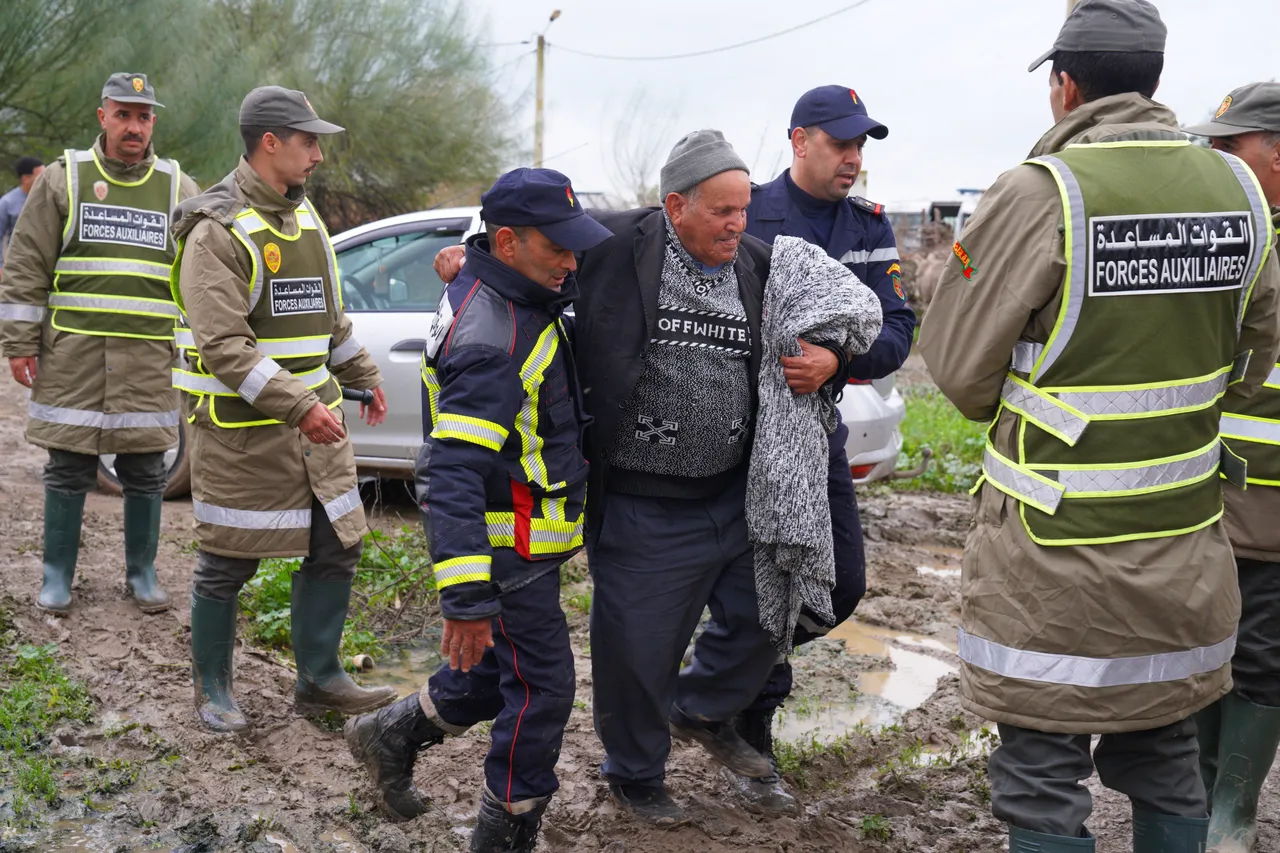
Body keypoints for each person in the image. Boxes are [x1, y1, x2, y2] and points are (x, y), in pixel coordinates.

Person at [916, 2, 1280, 851]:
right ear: (1153, 81)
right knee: (1164, 752)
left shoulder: (1040, 192)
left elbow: (960, 371)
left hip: (1051, 567)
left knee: (1042, 773)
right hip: (1185, 553)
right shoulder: (1237, 192)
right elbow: (1255, 352)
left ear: (1065, 86)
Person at [435, 130, 857, 826]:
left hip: (735, 492)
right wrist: (465, 257)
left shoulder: (760, 265)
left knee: (770, 611)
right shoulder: (613, 244)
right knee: (635, 650)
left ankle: (700, 707)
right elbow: (521, 250)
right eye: (722, 210)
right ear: (675, 206)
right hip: (642, 500)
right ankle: (635, 773)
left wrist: (834, 357)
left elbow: (840, 313)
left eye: (744, 208)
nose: (739, 223)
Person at [344, 168, 612, 852]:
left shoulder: (507, 287)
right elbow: (453, 469)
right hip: (506, 542)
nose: (571, 261)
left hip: (522, 535)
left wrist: (470, 260)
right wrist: (464, 598)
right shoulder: (495, 337)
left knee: (494, 675)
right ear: (509, 242)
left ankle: (389, 733)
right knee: (544, 688)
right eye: (557, 247)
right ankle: (505, 832)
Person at [170, 86, 395, 732]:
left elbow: (329, 318)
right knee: (228, 561)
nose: (318, 155)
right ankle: (214, 690)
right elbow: (224, 347)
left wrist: (363, 374)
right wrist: (299, 406)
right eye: (308, 141)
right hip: (244, 436)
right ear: (270, 142)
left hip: (314, 429)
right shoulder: (215, 230)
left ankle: (320, 679)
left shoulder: (306, 218)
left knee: (336, 545)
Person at [732, 84, 916, 811]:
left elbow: (898, 331)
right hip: (734, 435)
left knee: (838, 586)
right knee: (754, 585)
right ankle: (750, 740)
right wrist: (480, 252)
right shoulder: (748, 210)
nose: (853, 157)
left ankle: (720, 690)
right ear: (799, 140)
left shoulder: (867, 225)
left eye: (860, 145)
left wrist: (837, 362)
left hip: (814, 434)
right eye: (840, 143)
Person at [0, 73, 199, 615]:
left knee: (146, 469)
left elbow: (202, 272)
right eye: (123, 115)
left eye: (144, 116)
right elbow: (26, 265)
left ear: (153, 121)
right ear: (102, 116)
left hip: (148, 359)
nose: (134, 126)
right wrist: (19, 342)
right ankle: (56, 577)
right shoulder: (64, 178)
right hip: (73, 356)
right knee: (67, 464)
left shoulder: (178, 187)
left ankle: (142, 574)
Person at [1183, 81, 1280, 853]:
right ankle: (1205, 791)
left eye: (1229, 145)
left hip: (1274, 510)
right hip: (1205, 493)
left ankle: (1233, 812)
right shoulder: (1220, 235)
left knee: (1262, 652)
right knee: (1203, 647)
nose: (1213, 157)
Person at [0, 156, 44, 267]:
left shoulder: (49, 200)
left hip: (45, 265)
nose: (46, 179)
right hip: (17, 265)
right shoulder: (7, 202)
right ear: (26, 179)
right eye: (41, 176)